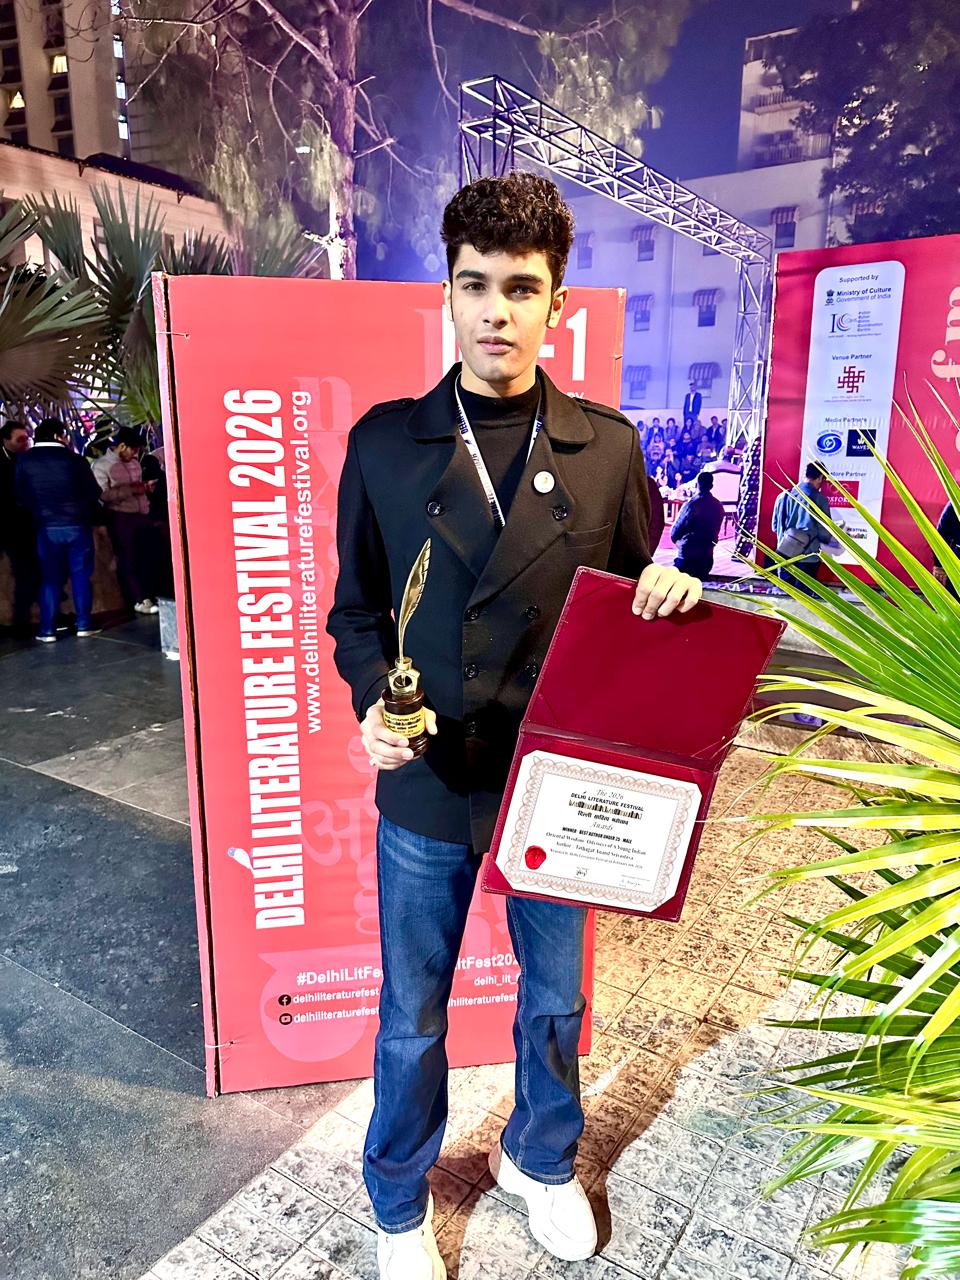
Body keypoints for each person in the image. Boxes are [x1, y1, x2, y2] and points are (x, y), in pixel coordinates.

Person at [326, 171, 702, 1280]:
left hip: (559, 782)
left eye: (521, 288)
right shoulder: (387, 444)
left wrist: (671, 591)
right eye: (475, 284)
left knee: (557, 996)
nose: (497, 310)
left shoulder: (608, 449)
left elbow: (634, 603)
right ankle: (398, 1201)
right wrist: (372, 701)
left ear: (557, 304)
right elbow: (354, 609)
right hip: (429, 777)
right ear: (448, 295)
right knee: (412, 1010)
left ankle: (541, 1160)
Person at [14, 418, 102, 642]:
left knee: (50, 579)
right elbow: (94, 492)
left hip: (46, 528)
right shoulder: (75, 459)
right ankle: (84, 624)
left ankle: (47, 630)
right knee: (80, 576)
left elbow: (20, 496)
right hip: (77, 526)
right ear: (57, 436)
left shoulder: (25, 460)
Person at [92, 426, 158, 615]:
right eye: (133, 450)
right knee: (127, 558)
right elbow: (103, 495)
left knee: (146, 557)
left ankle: (149, 594)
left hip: (142, 514)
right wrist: (132, 489)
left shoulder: (134, 463)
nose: (135, 454)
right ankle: (138, 599)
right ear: (122, 446)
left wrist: (145, 488)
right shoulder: (101, 466)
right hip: (120, 516)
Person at [772, 461, 833, 593]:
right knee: (804, 598)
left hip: (785, 554)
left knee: (784, 596)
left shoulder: (783, 496)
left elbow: (775, 527)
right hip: (808, 558)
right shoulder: (820, 500)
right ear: (820, 478)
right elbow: (824, 532)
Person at [1, 418, 38, 636]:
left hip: (22, 527)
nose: (25, 443)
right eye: (20, 439)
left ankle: (21, 621)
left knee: (25, 573)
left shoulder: (25, 460)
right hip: (10, 526)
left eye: (27, 439)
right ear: (5, 440)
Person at [671, 471, 725, 580]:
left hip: (686, 559)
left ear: (697, 485)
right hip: (706, 560)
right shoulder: (718, 506)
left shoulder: (692, 505)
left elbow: (675, 532)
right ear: (711, 486)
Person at [934, 502, 960, 597]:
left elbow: (941, 535)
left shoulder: (955, 501)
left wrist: (938, 566)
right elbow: (941, 535)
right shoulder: (954, 502)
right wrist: (939, 565)